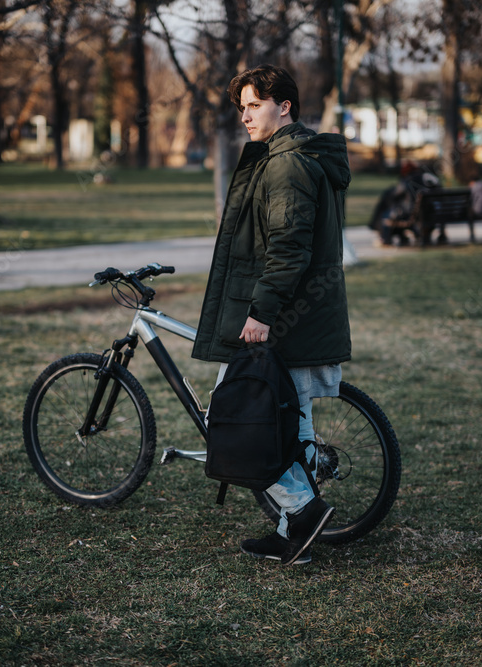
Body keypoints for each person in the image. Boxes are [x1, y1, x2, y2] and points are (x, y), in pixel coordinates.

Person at [191, 64, 351, 565]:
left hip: (282, 319)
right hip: (296, 317)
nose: (245, 116)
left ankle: (302, 512)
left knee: (231, 414)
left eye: (254, 104)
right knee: (290, 423)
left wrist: (260, 313)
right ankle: (293, 538)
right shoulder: (293, 156)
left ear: (284, 106)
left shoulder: (287, 164)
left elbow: (289, 248)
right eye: (241, 107)